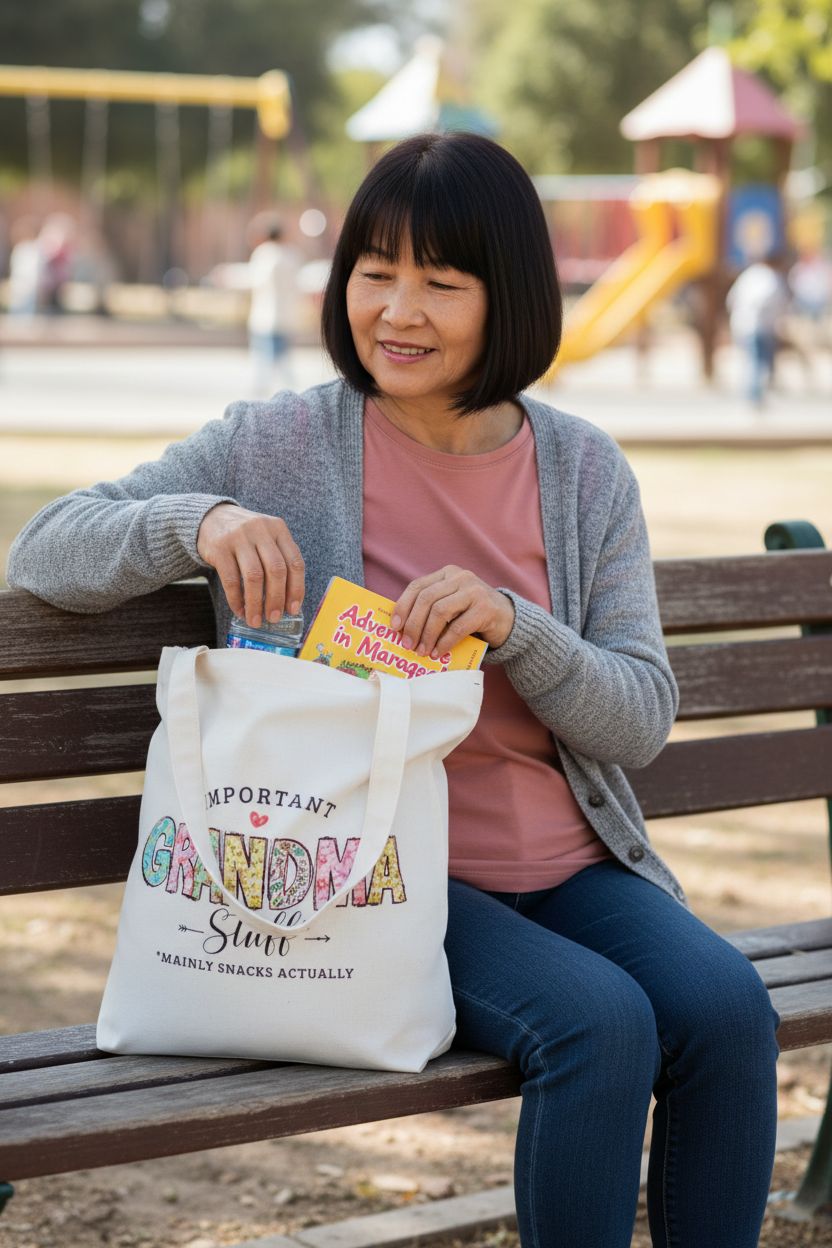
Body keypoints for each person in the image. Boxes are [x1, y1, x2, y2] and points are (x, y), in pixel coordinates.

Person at [6, 133, 778, 1248]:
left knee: (723, 1007)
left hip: (567, 871)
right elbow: (45, 549)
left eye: (439, 282)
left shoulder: (583, 472)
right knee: (601, 1025)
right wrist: (198, 520)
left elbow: (639, 717)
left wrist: (519, 630)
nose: (396, 311)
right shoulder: (276, 442)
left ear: (504, 297)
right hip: (369, 876)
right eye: (374, 272)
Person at [211, 212, 301, 397]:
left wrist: (227, 276)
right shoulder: (292, 255)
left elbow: (254, 278)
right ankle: (294, 398)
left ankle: (262, 402)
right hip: (286, 318)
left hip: (267, 319)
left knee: (264, 365)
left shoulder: (266, 254)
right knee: (282, 363)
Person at [726, 254, 789, 406]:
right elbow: (772, 301)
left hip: (741, 323)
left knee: (751, 359)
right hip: (760, 325)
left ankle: (753, 392)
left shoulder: (748, 275)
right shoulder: (770, 278)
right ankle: (754, 395)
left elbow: (731, 299)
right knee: (757, 361)